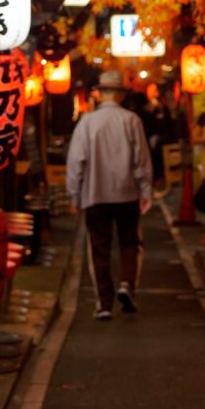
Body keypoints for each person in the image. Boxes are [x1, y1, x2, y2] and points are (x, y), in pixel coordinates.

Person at [66, 70, 154, 320]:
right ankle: (127, 283)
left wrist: (74, 194)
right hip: (126, 193)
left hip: (95, 194)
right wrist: (146, 190)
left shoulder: (87, 122)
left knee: (99, 248)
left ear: (100, 94)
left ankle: (104, 304)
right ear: (120, 95)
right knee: (129, 243)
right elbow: (141, 160)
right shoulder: (131, 120)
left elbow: (76, 161)